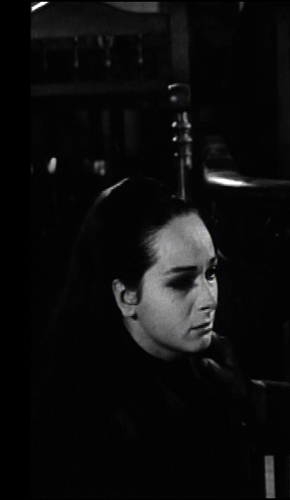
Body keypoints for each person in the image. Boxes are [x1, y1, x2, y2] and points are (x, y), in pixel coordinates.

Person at [31, 177, 253, 498]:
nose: (209, 299)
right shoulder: (81, 415)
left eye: (211, 273)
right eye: (181, 282)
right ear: (126, 296)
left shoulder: (214, 371)